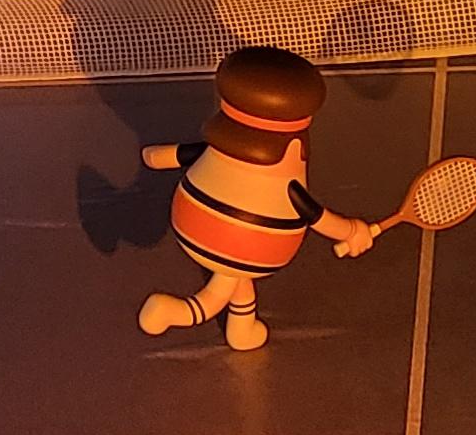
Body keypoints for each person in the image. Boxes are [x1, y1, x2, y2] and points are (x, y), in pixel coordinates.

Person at [137, 44, 373, 353]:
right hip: (256, 242)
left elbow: (188, 153)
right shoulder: (285, 176)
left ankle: (241, 329)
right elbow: (312, 213)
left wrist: (155, 157)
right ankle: (179, 312)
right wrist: (351, 231)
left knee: (233, 279)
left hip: (192, 219)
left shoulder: (218, 145)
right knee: (227, 280)